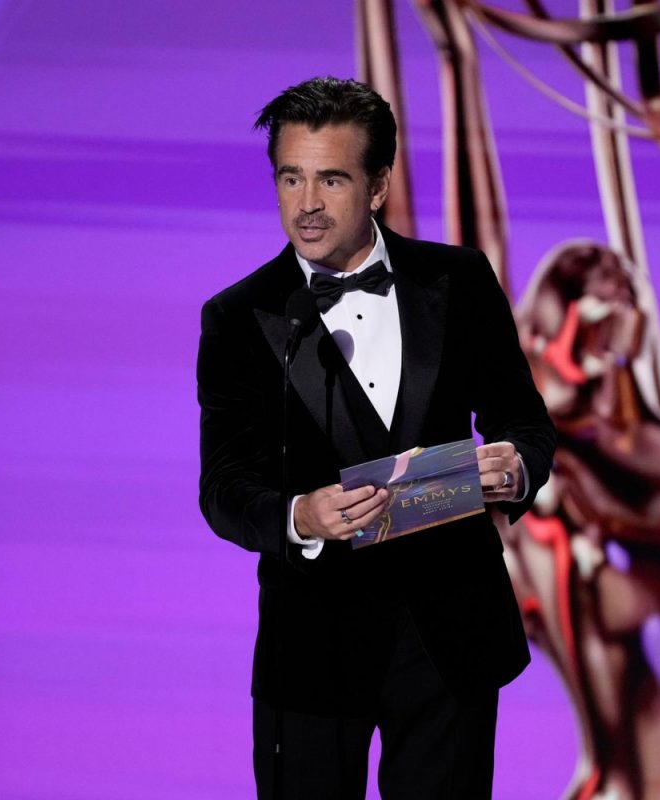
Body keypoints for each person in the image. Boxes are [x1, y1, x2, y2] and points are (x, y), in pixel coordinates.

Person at [197, 76, 556, 799]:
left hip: (448, 634)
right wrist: (299, 516)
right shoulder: (238, 317)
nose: (305, 204)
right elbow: (224, 487)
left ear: (378, 184)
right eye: (289, 178)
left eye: (331, 178)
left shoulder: (457, 280)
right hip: (313, 641)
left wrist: (516, 466)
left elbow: (526, 421)